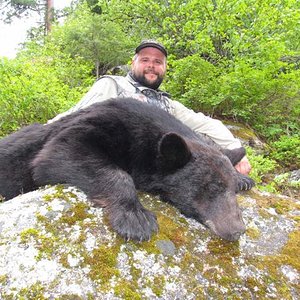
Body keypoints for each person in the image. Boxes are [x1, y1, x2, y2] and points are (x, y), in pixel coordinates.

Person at [49, 40, 251, 175]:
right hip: (112, 169)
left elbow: (208, 125)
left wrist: (236, 151)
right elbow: (75, 115)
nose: (151, 65)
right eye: (145, 60)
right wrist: (43, 132)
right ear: (133, 63)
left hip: (156, 174)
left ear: (165, 68)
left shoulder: (168, 104)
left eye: (157, 62)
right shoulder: (112, 85)